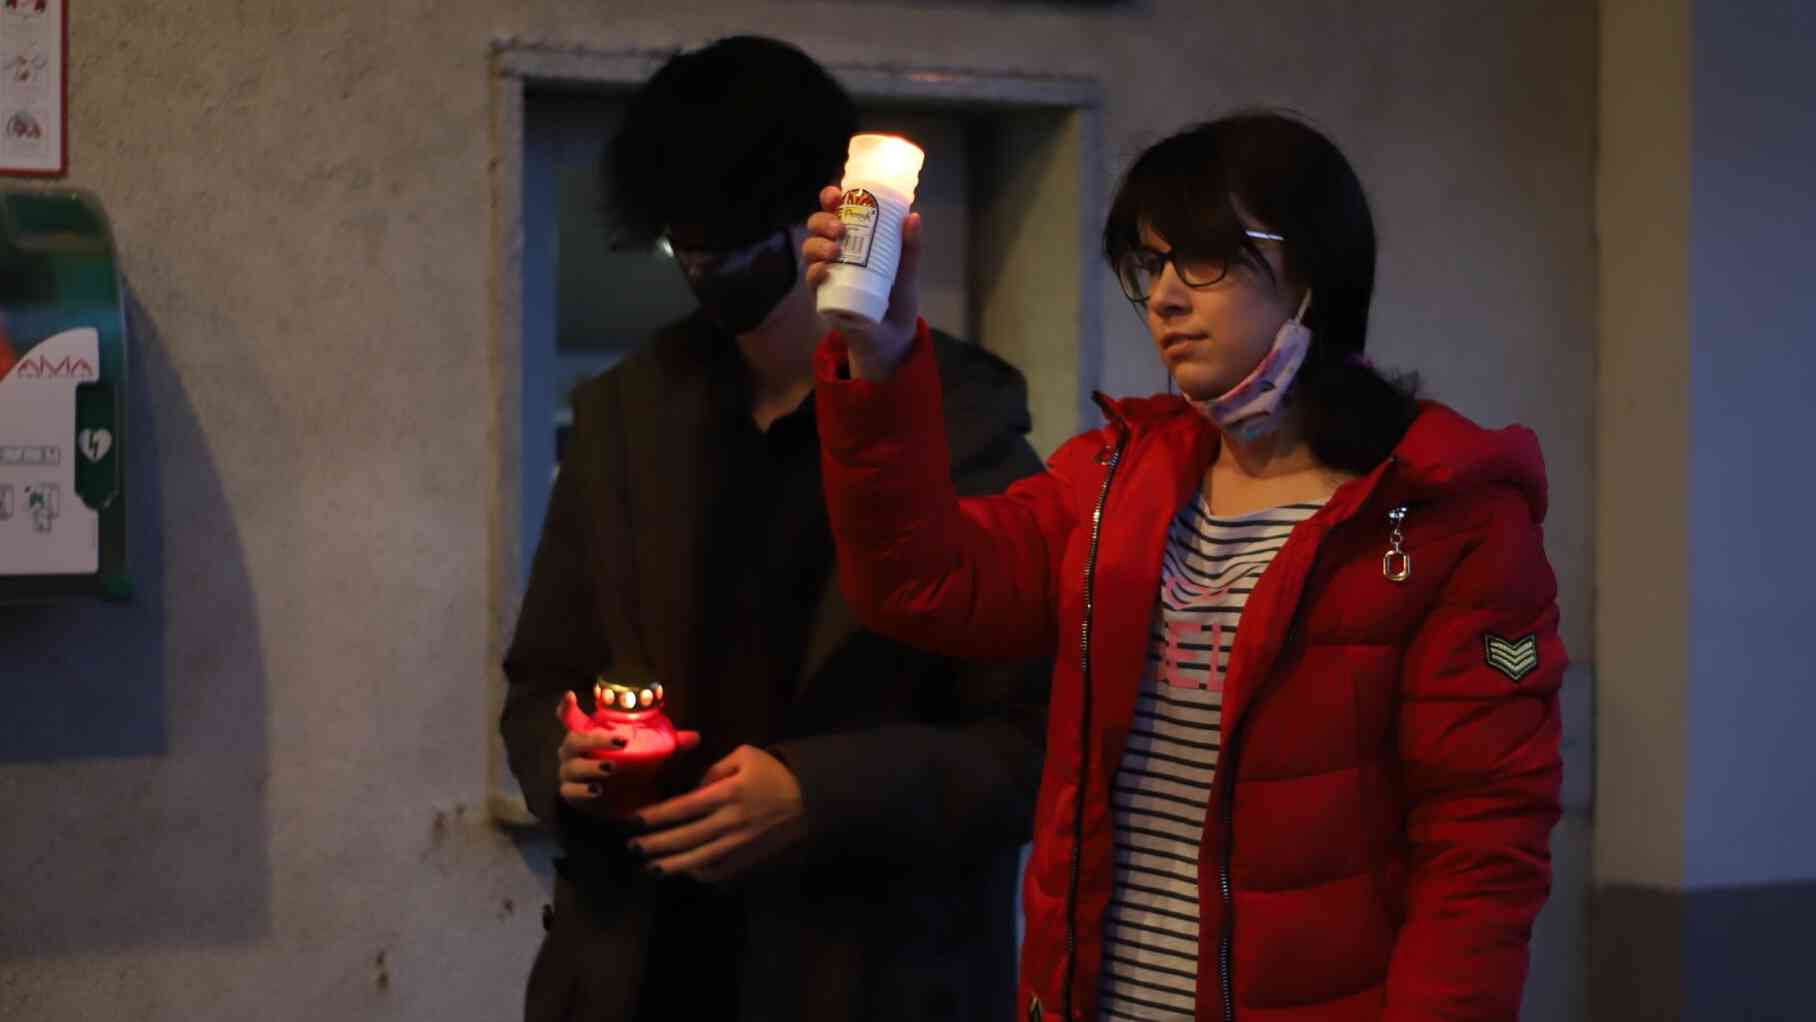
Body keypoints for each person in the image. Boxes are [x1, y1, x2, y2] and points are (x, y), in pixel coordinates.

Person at [802, 110, 1565, 1021]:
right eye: (1150, 265)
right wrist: (879, 354)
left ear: (1310, 271)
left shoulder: (1442, 516)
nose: (1164, 298)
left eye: (1202, 260)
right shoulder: (1114, 480)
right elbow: (921, 583)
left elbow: (1480, 848)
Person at [499, 35, 1050, 1022]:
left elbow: (1029, 743)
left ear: (816, 218)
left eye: (733, 247)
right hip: (641, 965)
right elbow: (543, 679)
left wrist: (817, 793)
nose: (709, 274)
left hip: (866, 970)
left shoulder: (961, 426)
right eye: (688, 251)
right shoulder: (628, 415)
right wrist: (567, 761)